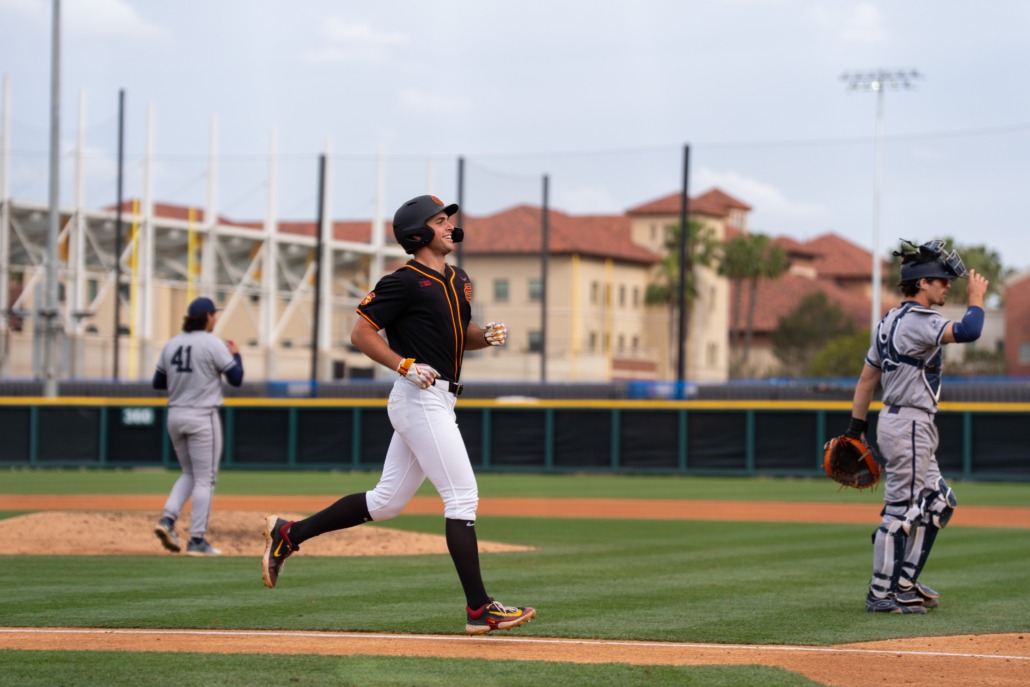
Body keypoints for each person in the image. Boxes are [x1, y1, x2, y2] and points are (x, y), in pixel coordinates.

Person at [261, 194, 535, 635]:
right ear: (417, 232)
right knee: (462, 497)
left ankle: (289, 533)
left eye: (448, 221)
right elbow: (361, 332)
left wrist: (486, 335)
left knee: (385, 503)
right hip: (418, 397)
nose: (449, 226)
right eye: (440, 220)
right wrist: (402, 363)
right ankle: (479, 609)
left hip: (440, 399)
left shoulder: (459, 279)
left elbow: (460, 333)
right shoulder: (402, 281)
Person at [846, 239, 988, 614]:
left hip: (904, 421)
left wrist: (854, 428)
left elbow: (865, 380)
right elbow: (971, 330)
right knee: (901, 510)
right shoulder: (919, 320)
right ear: (922, 283)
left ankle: (905, 584)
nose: (947, 285)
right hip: (909, 423)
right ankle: (881, 593)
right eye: (941, 280)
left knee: (940, 502)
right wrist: (976, 297)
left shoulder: (888, 321)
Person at [152, 296, 244, 556]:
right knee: (206, 479)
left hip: (175, 415)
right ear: (206, 316)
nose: (215, 318)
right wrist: (236, 355)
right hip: (202, 415)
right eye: (213, 314)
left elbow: (158, 382)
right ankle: (197, 540)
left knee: (189, 473)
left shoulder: (172, 344)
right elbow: (236, 378)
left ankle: (167, 521)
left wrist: (186, 380)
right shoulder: (212, 343)